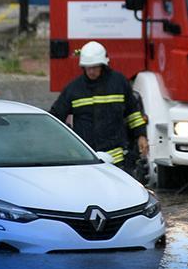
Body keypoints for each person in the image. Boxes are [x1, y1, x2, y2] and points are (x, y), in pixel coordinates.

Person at [50, 41, 149, 177]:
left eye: (95, 67)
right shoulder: (74, 89)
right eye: (87, 67)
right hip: (86, 156)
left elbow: (132, 112)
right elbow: (56, 117)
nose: (91, 71)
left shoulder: (119, 83)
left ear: (103, 65)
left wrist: (141, 135)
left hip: (116, 156)